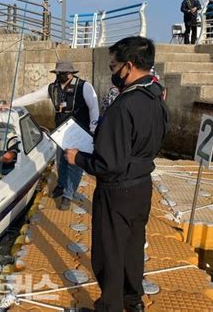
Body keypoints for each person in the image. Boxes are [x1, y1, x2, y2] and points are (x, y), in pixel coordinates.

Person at [64, 36, 169, 311]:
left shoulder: (123, 106)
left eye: (114, 67)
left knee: (109, 253)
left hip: (117, 190)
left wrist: (78, 158)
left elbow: (108, 164)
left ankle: (109, 306)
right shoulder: (156, 96)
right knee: (133, 248)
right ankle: (132, 301)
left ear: (129, 66)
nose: (112, 72)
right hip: (142, 185)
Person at [11, 60, 99, 210]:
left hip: (78, 131)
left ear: (71, 73)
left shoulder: (84, 86)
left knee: (74, 163)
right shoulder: (52, 88)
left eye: (63, 73)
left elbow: (93, 107)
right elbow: (33, 97)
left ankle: (68, 194)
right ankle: (61, 184)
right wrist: (12, 103)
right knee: (61, 161)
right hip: (61, 131)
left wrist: (93, 128)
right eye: (58, 73)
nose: (61, 76)